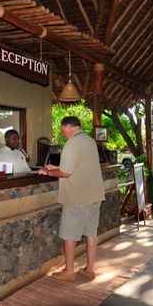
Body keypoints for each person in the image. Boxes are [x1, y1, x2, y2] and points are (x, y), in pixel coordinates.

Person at [38, 116, 105, 281]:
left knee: (69, 235)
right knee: (91, 233)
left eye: (63, 130)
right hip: (94, 195)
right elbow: (78, 165)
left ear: (68, 127)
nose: (63, 133)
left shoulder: (72, 143)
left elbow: (66, 173)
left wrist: (46, 172)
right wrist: (57, 167)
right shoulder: (89, 141)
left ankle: (69, 271)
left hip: (78, 197)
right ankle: (90, 269)